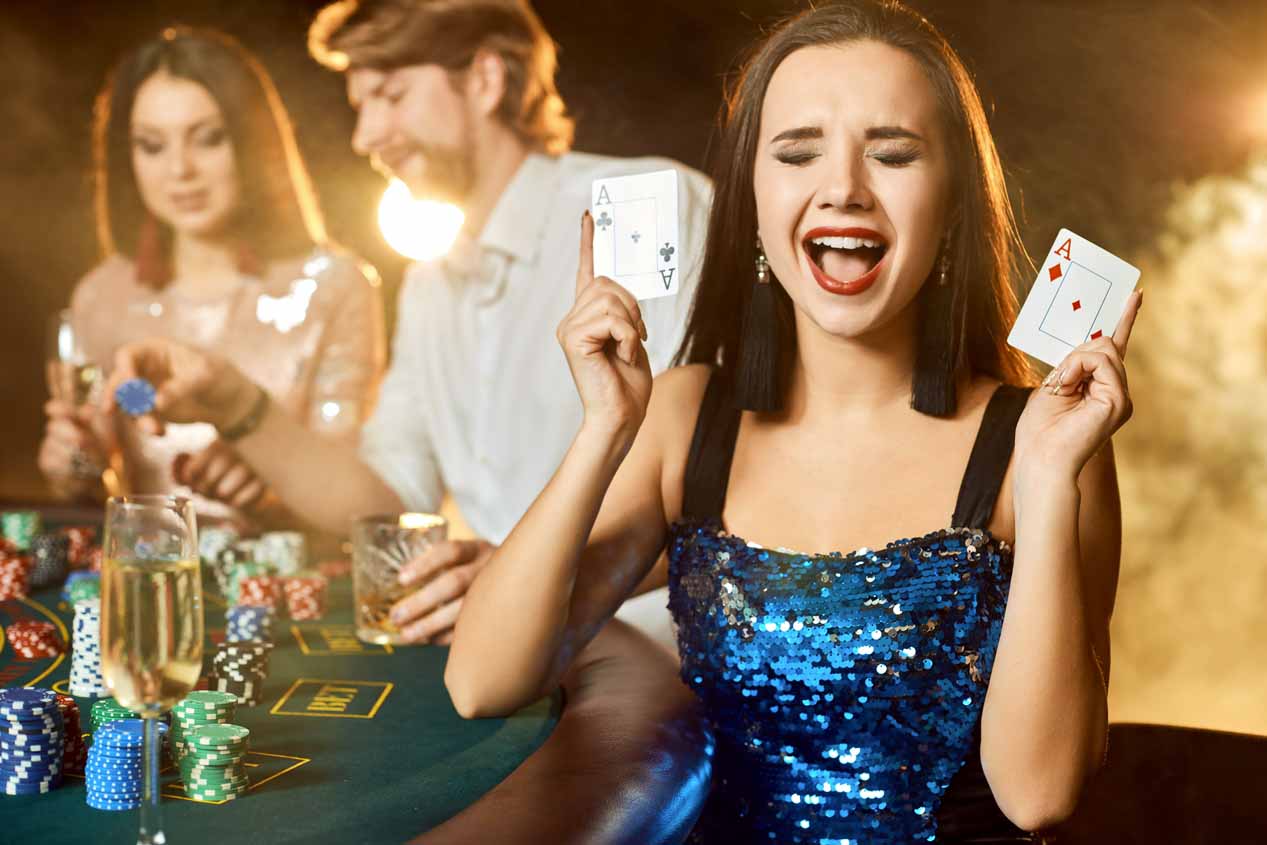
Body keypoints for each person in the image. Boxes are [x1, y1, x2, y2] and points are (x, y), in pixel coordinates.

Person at [443, 2, 1140, 841]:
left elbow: (1039, 794)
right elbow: (480, 680)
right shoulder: (682, 418)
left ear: (952, 202)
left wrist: (1047, 479)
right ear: (755, 202)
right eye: (797, 152)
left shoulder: (1044, 443)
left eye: (892, 154)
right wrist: (603, 430)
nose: (842, 187)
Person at [103, 0, 712, 647]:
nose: (366, 136)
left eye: (390, 97)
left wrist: (526, 577)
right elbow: (385, 502)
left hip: (650, 661)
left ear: (483, 79)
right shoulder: (428, 280)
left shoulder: (642, 206)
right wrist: (235, 402)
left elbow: (713, 478)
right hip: (501, 657)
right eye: (360, 105)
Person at [39, 27, 385, 533]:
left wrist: (274, 472)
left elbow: (363, 494)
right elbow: (107, 476)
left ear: (251, 142)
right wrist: (77, 462)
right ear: (127, 157)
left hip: (290, 580)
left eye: (209, 139)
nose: (181, 170)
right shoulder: (103, 296)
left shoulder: (334, 286)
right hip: (151, 579)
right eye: (152, 146)